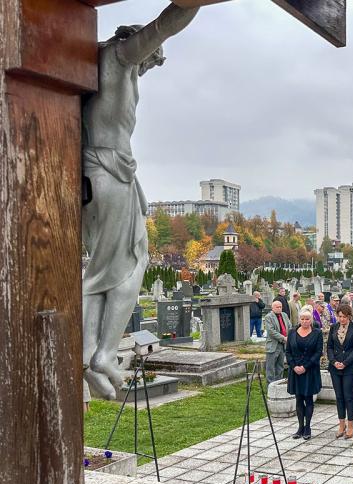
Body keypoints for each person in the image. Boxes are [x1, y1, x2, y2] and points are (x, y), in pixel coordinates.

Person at [81, 4, 201, 400]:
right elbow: (167, 24)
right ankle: (99, 354)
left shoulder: (109, 64)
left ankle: (95, 354)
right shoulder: (118, 55)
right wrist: (194, 4)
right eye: (153, 60)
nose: (150, 66)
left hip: (112, 173)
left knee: (112, 268)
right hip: (108, 170)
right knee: (121, 269)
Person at [327, 304, 353, 439]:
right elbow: (329, 346)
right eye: (339, 316)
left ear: (349, 316)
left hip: (349, 366)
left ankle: (351, 424)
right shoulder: (333, 327)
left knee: (348, 396)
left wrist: (345, 362)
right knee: (339, 396)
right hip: (335, 367)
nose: (341, 319)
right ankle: (341, 424)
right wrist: (333, 361)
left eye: (344, 316)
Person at [285, 309, 323, 440]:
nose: (304, 321)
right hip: (295, 371)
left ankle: (308, 427)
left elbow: (318, 352)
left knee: (308, 399)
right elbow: (288, 351)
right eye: (302, 319)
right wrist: (294, 366)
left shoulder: (317, 333)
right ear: (299, 319)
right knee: (299, 399)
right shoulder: (292, 333)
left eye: (307, 319)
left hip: (310, 370)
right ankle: (300, 427)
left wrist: (305, 367)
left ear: (311, 319)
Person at [264, 300, 291, 383]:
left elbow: (289, 326)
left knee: (280, 366)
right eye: (277, 307)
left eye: (280, 307)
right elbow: (271, 331)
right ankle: (270, 386)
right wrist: (283, 338)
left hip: (283, 345)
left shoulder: (284, 315)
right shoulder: (269, 317)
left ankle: (278, 383)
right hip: (273, 345)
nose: (279, 309)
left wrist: (289, 336)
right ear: (272, 308)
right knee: (271, 367)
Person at [313, 300, 333, 369]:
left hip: (326, 336)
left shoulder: (325, 313)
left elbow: (328, 321)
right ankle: (321, 365)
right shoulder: (313, 315)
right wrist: (326, 330)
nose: (323, 308)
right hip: (319, 336)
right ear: (317, 306)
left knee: (326, 351)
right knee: (320, 351)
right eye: (322, 307)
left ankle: (325, 364)